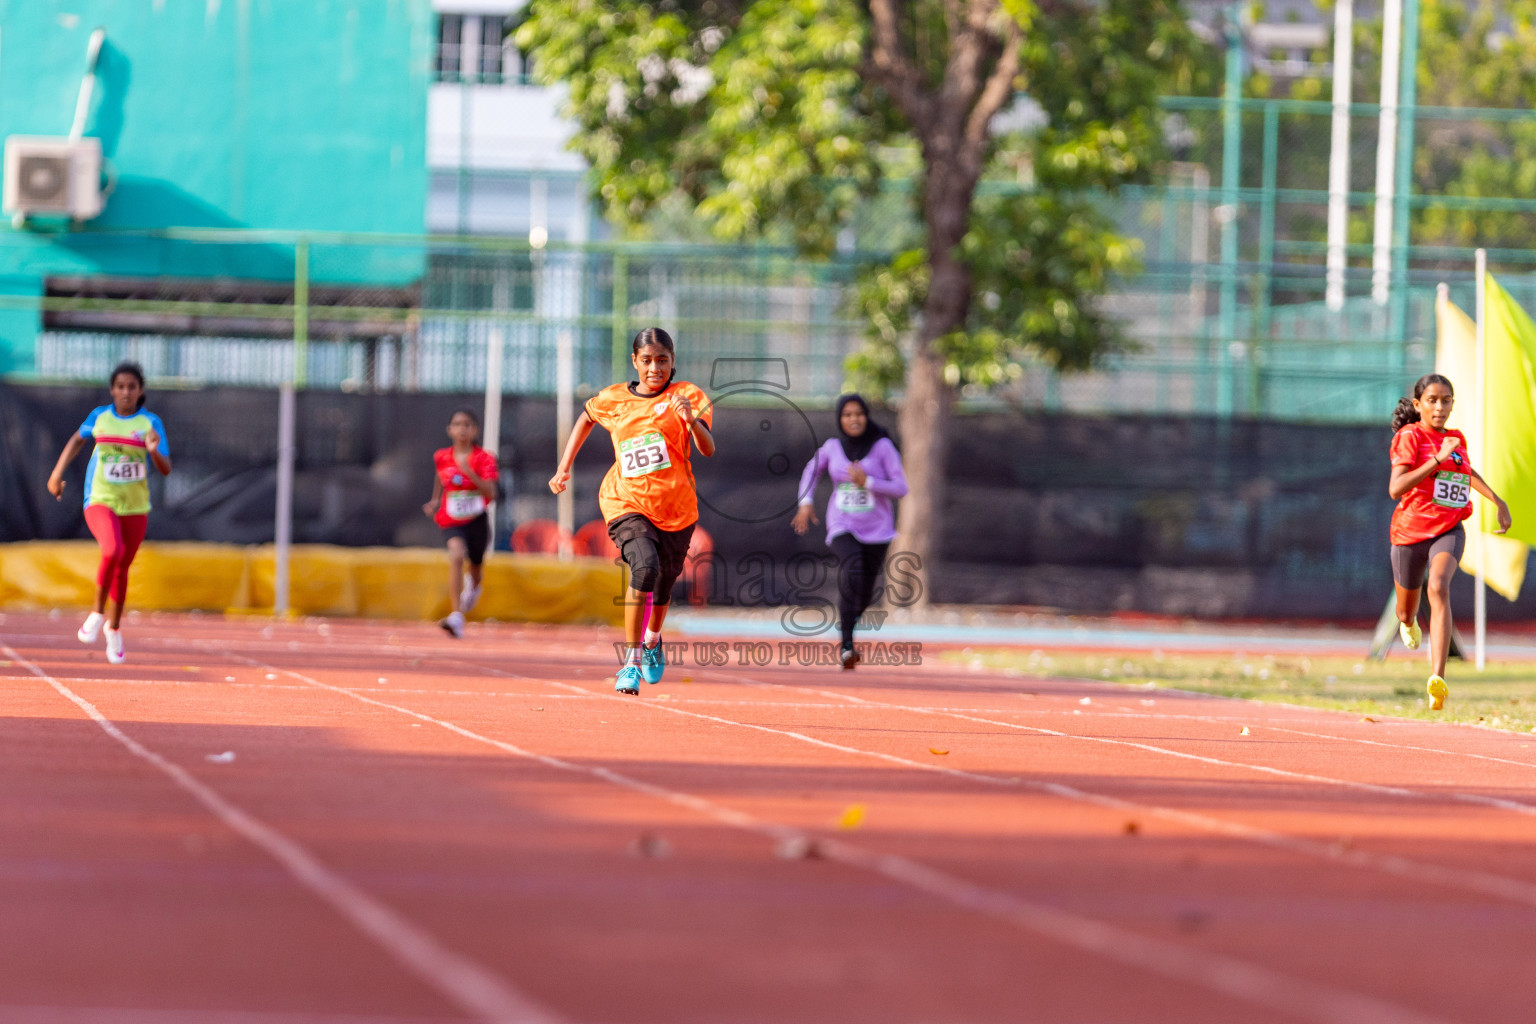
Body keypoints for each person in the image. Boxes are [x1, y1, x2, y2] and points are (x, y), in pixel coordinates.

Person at [549, 327, 714, 694]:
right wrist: (564, 466)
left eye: (662, 361)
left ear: (672, 362)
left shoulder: (687, 395)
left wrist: (689, 420)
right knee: (645, 566)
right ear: (635, 362)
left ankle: (654, 640)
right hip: (625, 501)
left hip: (676, 507)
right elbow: (587, 417)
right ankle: (631, 661)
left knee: (665, 583)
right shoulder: (614, 398)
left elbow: (708, 448)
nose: (655, 368)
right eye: (647, 361)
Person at [1389, 373, 1511, 710]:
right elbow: (1395, 489)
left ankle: (1437, 678)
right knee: (1404, 609)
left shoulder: (1457, 439)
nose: (1440, 407)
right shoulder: (1409, 437)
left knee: (1439, 587)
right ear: (1418, 404)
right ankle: (1407, 621)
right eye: (1432, 400)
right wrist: (1437, 458)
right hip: (1409, 534)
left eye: (1446, 400)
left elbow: (1466, 473)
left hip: (1449, 528)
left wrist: (1497, 501)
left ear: (1453, 404)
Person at [45, 362, 172, 665]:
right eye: (120, 386)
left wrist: (153, 450)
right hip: (100, 499)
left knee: (123, 568)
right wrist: (56, 473)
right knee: (112, 549)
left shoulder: (150, 423)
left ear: (140, 391)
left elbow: (166, 469)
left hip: (135, 506)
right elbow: (77, 439)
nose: (126, 392)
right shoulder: (100, 417)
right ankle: (96, 612)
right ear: (112, 390)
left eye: (132, 387)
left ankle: (113, 629)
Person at [793, 394, 908, 669]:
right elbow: (811, 471)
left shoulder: (882, 448)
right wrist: (805, 503)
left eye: (858, 414)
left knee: (866, 592)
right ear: (839, 419)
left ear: (866, 417)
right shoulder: (833, 447)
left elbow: (901, 488)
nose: (853, 419)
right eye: (847, 415)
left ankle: (848, 624)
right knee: (852, 569)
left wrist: (867, 481)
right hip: (842, 524)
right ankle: (847, 645)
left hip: (878, 529)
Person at [423, 408, 498, 639]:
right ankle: (456, 616)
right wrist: (435, 500)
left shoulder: (484, 458)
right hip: (451, 518)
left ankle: (473, 586)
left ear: (475, 430)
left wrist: (469, 473)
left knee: (475, 567)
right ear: (450, 430)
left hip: (476, 519)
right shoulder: (441, 456)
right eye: (457, 424)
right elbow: (440, 476)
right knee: (456, 555)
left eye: (467, 424)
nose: (462, 429)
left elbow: (492, 493)